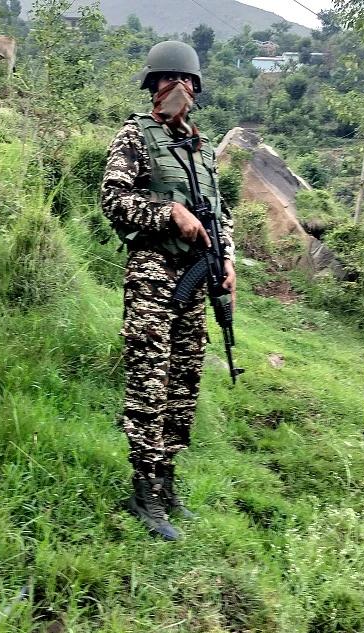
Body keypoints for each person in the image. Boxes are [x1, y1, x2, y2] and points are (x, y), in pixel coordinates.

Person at [100, 40, 237, 541]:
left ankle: (167, 481)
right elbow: (112, 198)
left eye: (187, 81)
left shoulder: (203, 149)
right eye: (168, 79)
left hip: (197, 277)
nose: (179, 87)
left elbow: (219, 213)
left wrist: (227, 260)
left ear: (196, 89)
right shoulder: (135, 135)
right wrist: (168, 213)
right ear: (153, 86)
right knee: (150, 380)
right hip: (153, 275)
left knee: (183, 383)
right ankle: (143, 491)